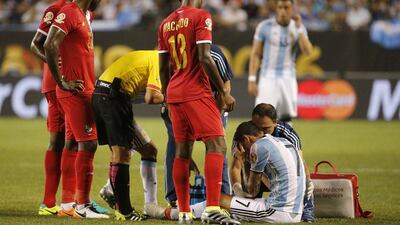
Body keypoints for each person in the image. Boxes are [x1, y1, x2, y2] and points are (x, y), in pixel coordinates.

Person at [158, 0, 239, 224]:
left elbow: (163, 67)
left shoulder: (166, 22)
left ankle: (184, 212)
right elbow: (204, 57)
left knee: (182, 151)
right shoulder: (201, 15)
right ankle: (212, 208)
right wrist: (223, 91)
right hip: (196, 91)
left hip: (174, 93)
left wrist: (166, 96)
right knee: (217, 144)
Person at [166, 121, 306, 223]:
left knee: (218, 200)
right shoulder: (283, 142)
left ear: (246, 139)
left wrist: (243, 159)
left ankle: (171, 213)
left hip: (277, 212)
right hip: (296, 211)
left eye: (243, 146)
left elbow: (251, 192)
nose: (244, 150)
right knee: (232, 206)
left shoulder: (259, 147)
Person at [43, 0, 108, 219]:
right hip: (75, 90)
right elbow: (48, 44)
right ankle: (82, 206)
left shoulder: (82, 13)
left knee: (71, 143)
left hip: (85, 87)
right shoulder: (69, 12)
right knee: (88, 144)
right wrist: (61, 81)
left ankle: (68, 204)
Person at [92, 50, 166, 221]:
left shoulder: (152, 57)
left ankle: (148, 204)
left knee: (149, 150)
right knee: (122, 154)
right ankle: (124, 211)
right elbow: (152, 97)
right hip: (113, 96)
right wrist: (174, 97)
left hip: (107, 94)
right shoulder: (158, 60)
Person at [162, 44, 234, 207]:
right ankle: (175, 197)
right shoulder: (177, 53)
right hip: (182, 102)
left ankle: (223, 193)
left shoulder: (215, 53)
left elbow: (226, 85)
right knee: (177, 146)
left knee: (217, 145)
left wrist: (217, 113)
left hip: (212, 102)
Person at [230, 103, 314, 222]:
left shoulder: (287, 133)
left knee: (301, 179)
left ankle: (307, 208)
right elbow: (236, 166)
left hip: (281, 179)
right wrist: (237, 189)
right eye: (257, 126)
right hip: (255, 174)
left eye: (265, 128)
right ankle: (249, 200)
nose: (261, 132)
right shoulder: (245, 133)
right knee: (249, 162)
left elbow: (299, 165)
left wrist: (308, 183)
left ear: (275, 122)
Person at [30, 0, 73, 216]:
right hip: (57, 83)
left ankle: (64, 202)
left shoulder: (83, 12)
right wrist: (53, 62)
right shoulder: (57, 9)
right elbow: (36, 43)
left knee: (65, 140)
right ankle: (59, 202)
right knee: (67, 140)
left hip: (69, 82)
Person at [248, 0, 313, 123]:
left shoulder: (297, 27)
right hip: (268, 76)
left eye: (286, 7)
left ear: (292, 8)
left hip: (288, 76)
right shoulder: (265, 26)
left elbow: (308, 51)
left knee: (286, 117)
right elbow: (255, 54)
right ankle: (263, 142)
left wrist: (299, 29)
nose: (283, 11)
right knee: (262, 116)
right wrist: (252, 79)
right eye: (280, 7)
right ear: (276, 9)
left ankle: (285, 142)